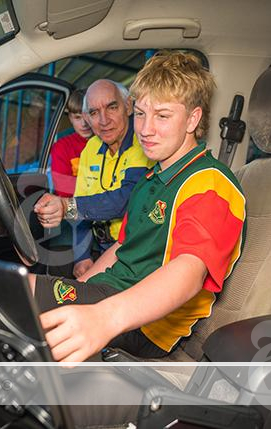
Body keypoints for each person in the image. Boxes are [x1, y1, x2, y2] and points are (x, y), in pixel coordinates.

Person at [29, 51, 246, 363]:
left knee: (22, 290)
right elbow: (122, 245)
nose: (145, 129)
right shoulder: (151, 178)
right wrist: (79, 289)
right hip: (113, 294)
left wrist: (105, 318)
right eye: (141, 114)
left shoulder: (208, 183)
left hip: (146, 323)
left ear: (193, 119)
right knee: (17, 292)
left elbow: (189, 272)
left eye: (162, 116)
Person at [35, 79, 152, 278]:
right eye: (94, 113)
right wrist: (82, 256)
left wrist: (65, 206)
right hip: (101, 243)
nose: (103, 121)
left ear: (128, 106)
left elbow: (126, 200)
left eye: (111, 107)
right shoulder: (91, 147)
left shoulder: (143, 142)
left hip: (134, 249)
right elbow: (82, 201)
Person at [50, 89, 93, 197]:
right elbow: (64, 190)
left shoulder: (108, 142)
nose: (84, 124)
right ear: (70, 118)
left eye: (88, 116)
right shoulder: (62, 147)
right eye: (77, 117)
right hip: (72, 206)